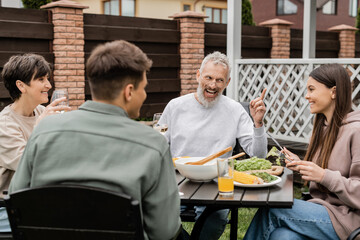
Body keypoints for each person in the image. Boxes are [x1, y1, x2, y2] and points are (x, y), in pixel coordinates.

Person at [9, 40, 182, 240]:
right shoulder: (153, 144)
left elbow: (17, 201)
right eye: (143, 88)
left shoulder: (43, 131)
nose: (144, 94)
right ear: (129, 92)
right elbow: (165, 230)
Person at [244, 64, 360, 240]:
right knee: (281, 236)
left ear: (333, 92)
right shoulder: (323, 127)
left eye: (312, 89)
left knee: (272, 209)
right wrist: (301, 165)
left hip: (348, 221)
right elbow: (323, 172)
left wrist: (323, 176)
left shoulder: (356, 130)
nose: (307, 96)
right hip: (323, 210)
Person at [159, 51, 268, 239]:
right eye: (208, 77)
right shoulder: (175, 106)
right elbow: (159, 147)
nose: (212, 85)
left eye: (219, 80)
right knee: (154, 216)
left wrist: (257, 123)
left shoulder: (235, 110)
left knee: (216, 218)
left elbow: (259, 156)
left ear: (228, 82)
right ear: (198, 75)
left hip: (218, 187)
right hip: (178, 184)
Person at [0, 53, 70, 232]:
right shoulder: (4, 125)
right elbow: (29, 164)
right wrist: (40, 127)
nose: (49, 85)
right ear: (21, 85)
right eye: (41, 79)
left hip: (40, 198)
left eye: (47, 78)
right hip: (10, 208)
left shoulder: (41, 111)